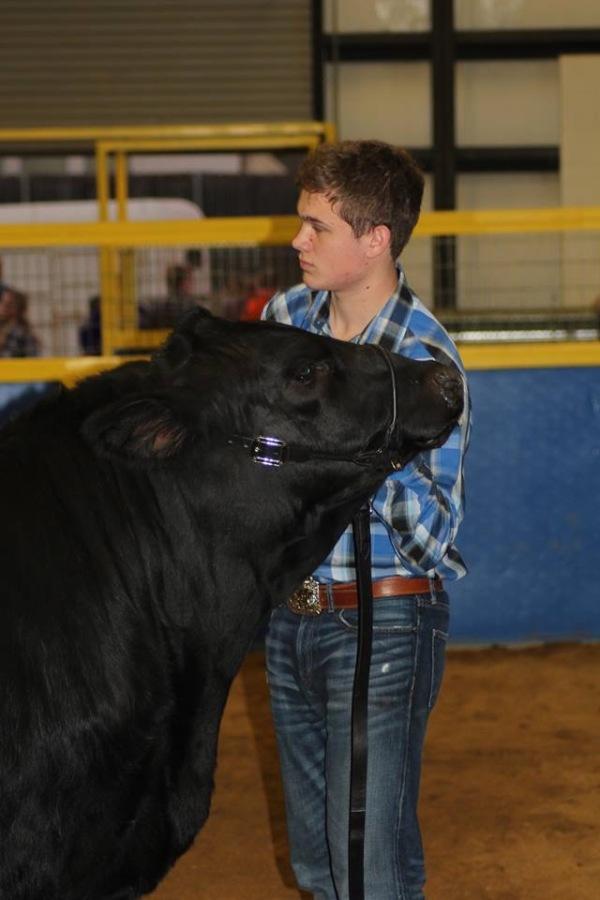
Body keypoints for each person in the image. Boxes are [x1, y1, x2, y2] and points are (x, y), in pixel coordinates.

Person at [261, 140, 471, 900]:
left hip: (386, 621)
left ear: (376, 239)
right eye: (301, 222)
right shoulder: (284, 320)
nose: (297, 241)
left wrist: (364, 451)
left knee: (366, 866)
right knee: (323, 863)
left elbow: (432, 539)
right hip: (291, 618)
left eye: (317, 227)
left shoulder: (425, 359)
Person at [0, 288, 40, 358]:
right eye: (1, 302)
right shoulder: (4, 329)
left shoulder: (22, 334)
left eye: (8, 304)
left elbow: (32, 361)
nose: (2, 308)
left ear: (17, 309)